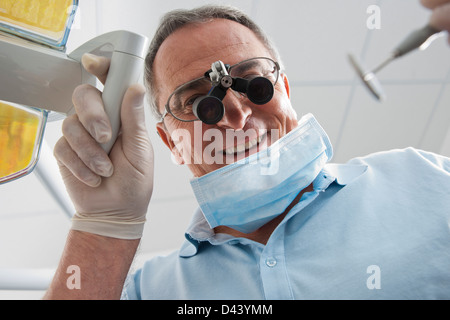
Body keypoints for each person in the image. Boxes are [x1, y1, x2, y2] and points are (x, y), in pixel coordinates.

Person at [44, 2, 450, 300]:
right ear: (171, 143)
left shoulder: (423, 181)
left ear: (285, 91)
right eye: (200, 103)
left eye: (254, 82)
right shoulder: (149, 291)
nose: (236, 114)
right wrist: (103, 226)